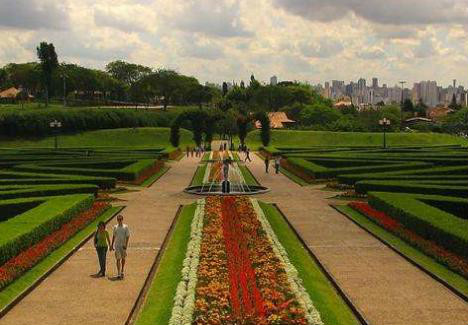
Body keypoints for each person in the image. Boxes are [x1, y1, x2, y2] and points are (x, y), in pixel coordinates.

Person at [111, 215, 130, 279]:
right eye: (118, 220)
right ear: (117, 220)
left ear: (122, 219)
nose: (119, 221)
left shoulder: (125, 227)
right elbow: (113, 236)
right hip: (117, 245)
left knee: (123, 258)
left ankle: (122, 270)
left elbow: (127, 236)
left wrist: (126, 245)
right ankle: (118, 273)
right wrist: (112, 244)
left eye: (120, 219)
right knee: (118, 259)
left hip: (123, 245)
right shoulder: (115, 227)